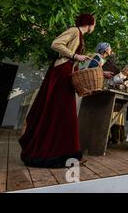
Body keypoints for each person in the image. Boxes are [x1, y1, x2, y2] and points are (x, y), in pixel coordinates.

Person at [19, 13, 96, 167]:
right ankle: (55, 152)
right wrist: (74, 55)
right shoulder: (75, 31)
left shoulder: (80, 35)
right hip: (61, 73)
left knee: (62, 113)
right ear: (89, 23)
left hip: (67, 73)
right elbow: (56, 43)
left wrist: (79, 58)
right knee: (61, 111)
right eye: (94, 24)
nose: (94, 27)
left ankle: (65, 153)